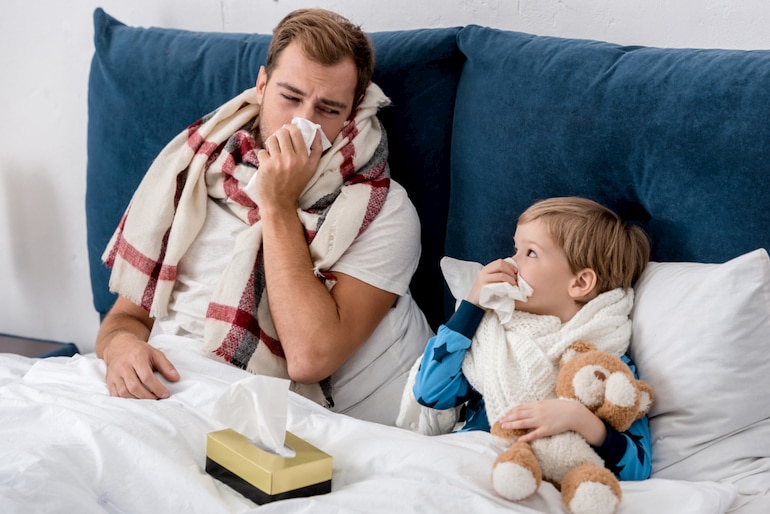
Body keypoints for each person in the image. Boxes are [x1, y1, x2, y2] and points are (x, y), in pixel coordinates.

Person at [96, 8, 433, 425]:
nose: (302, 122)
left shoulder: (382, 209)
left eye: (328, 109)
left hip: (276, 410)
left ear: (352, 112)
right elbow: (127, 318)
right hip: (167, 389)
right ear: (261, 85)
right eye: (290, 98)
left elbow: (311, 357)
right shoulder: (198, 169)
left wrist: (277, 204)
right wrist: (120, 348)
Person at [404, 196, 652, 481]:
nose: (510, 262)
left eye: (530, 253)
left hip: (540, 482)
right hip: (472, 462)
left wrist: (580, 419)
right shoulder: (493, 340)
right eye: (515, 249)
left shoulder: (606, 363)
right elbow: (430, 393)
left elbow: (638, 467)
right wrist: (473, 304)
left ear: (580, 283)